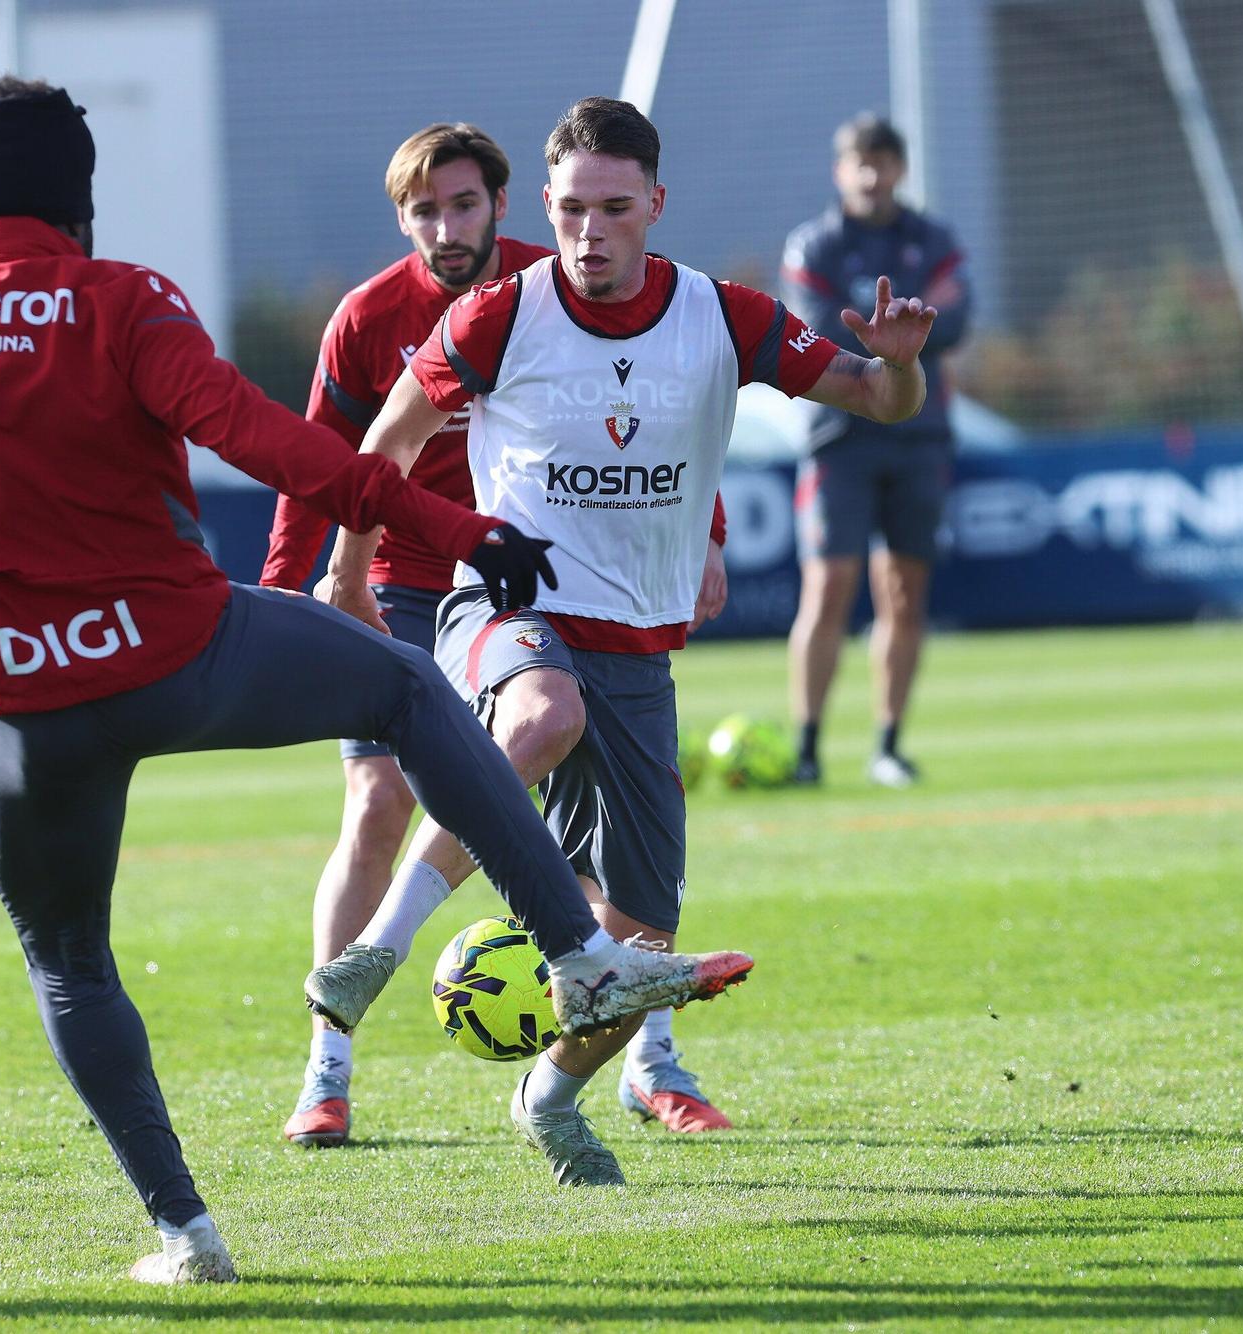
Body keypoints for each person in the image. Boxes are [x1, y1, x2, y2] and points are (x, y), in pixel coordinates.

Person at [0, 78, 751, 1284]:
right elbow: (259, 437)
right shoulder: (120, 300)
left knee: (67, 958)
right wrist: (440, 522)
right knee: (403, 686)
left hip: (23, 703)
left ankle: (185, 1231)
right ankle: (576, 951)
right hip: (183, 651)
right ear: (78, 200)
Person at [309, 97, 935, 1186]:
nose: (589, 232)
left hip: (637, 650)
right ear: (542, 209)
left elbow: (876, 398)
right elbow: (383, 444)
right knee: (544, 713)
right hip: (507, 604)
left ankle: (546, 1095)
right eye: (568, 211)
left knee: (639, 950)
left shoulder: (721, 315)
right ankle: (380, 948)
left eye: (611, 208)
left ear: (654, 203)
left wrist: (900, 365)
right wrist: (350, 575)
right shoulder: (498, 315)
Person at [268, 124, 735, 1146]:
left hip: (543, 581)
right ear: (401, 219)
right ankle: (327, 1067)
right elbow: (319, 458)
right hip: (397, 582)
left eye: (464, 204)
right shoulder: (365, 320)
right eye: (425, 210)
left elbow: (667, 410)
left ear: (501, 206)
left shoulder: (554, 285)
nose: (447, 226)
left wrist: (704, 533)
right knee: (377, 796)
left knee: (613, 823)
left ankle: (646, 1058)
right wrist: (289, 589)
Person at [780, 113, 971, 788]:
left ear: (901, 169)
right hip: (840, 440)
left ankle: (888, 744)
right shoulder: (815, 245)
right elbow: (818, 333)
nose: (871, 174)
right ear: (840, 170)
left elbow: (958, 315)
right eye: (860, 161)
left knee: (904, 593)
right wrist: (902, 333)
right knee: (828, 588)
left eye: (883, 161)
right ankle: (806, 748)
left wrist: (897, 335)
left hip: (920, 438)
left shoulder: (933, 238)